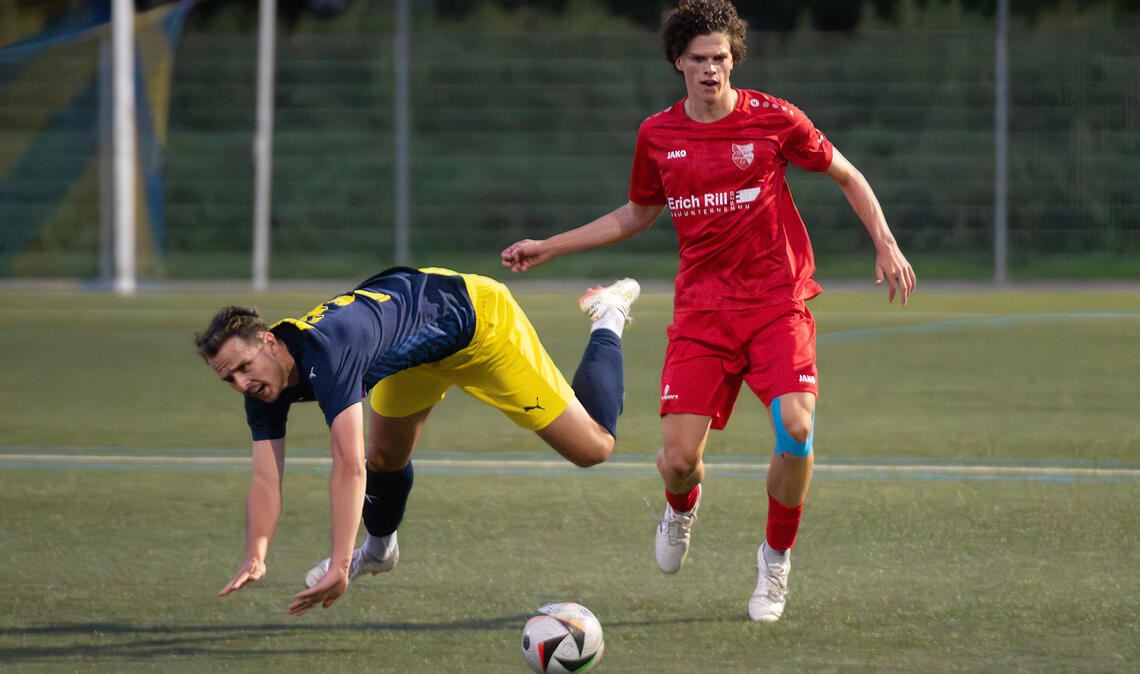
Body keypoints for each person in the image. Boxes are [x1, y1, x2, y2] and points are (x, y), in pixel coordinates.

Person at [501, 0, 916, 622]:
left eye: (720, 58)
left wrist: (885, 242)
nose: (711, 69)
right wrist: (551, 246)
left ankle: (774, 561)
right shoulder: (657, 135)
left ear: (733, 59)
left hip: (778, 304)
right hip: (703, 313)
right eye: (698, 59)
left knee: (796, 430)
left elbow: (848, 175)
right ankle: (681, 505)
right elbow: (636, 214)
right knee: (677, 459)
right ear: (678, 62)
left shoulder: (775, 120)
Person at [195, 266, 640, 616]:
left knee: (593, 448)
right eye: (228, 377)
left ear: (269, 342)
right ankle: (380, 550)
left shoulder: (327, 353)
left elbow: (348, 465)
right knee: (386, 455)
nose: (240, 382)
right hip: (413, 352)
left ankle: (608, 315)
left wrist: (337, 565)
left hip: (478, 326)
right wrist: (257, 552)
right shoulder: (263, 384)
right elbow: (266, 477)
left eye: (243, 366)